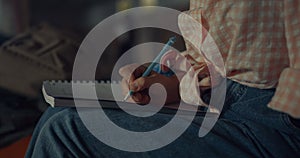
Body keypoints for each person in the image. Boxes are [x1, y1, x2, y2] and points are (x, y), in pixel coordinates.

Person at [26, 0, 300, 157]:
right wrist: (177, 81)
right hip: (225, 97)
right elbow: (226, 55)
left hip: (272, 122)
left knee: (66, 130)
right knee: (55, 116)